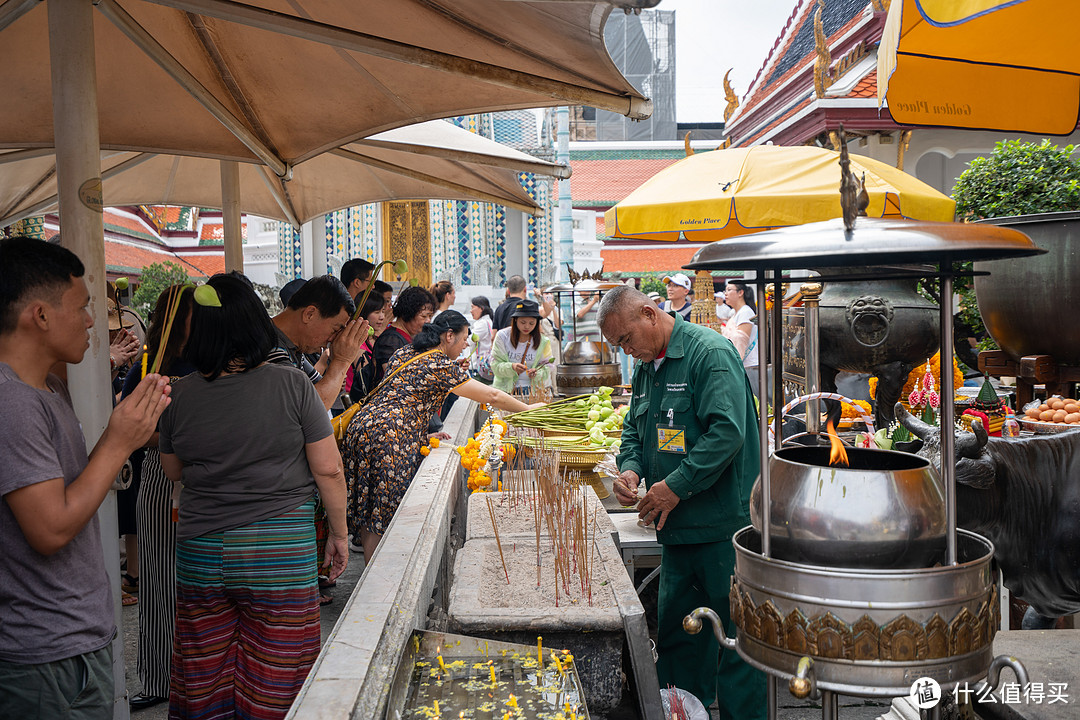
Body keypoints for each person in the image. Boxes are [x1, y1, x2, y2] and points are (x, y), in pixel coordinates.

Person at [158, 274, 349, 719]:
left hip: (200, 553)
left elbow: (173, 469)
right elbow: (329, 468)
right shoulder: (291, 384)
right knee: (279, 666)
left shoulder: (180, 394)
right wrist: (338, 533)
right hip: (277, 551)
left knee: (204, 665)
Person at [0, 237, 171, 719]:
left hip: (69, 643)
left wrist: (128, 435)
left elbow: (72, 487)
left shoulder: (48, 387)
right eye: (82, 307)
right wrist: (118, 442)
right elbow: (50, 529)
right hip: (44, 658)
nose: (93, 321)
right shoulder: (12, 402)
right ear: (40, 315)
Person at [597, 285, 765, 718]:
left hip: (723, 528)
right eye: (618, 346)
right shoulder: (649, 366)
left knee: (738, 643)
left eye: (626, 340)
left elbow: (726, 433)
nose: (627, 351)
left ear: (650, 314)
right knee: (679, 637)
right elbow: (635, 428)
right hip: (677, 529)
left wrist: (675, 486)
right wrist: (631, 468)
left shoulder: (709, 354)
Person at [344, 310, 541, 559]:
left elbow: (403, 395)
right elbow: (491, 395)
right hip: (389, 436)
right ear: (449, 336)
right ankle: (377, 578)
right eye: (463, 339)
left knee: (371, 506)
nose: (464, 346)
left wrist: (416, 434)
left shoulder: (406, 351)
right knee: (383, 513)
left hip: (366, 428)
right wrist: (527, 409)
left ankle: (369, 574)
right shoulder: (438, 364)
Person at [120, 285, 197, 711]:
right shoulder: (149, 366)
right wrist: (168, 442)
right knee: (158, 580)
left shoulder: (212, 360)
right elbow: (132, 429)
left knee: (202, 582)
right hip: (159, 480)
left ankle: (198, 672)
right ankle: (156, 676)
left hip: (204, 480)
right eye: (192, 312)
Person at [270, 274, 367, 411]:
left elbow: (320, 386)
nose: (332, 339)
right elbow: (310, 411)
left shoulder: (293, 347)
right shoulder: (269, 346)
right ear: (309, 314)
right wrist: (342, 361)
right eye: (335, 329)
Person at [371, 285, 436, 384]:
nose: (428, 321)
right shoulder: (391, 340)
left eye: (430, 316)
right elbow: (396, 380)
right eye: (423, 316)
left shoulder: (406, 336)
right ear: (408, 313)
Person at [491, 299, 554, 395]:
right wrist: (512, 367)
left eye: (531, 323)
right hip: (505, 392)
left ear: (537, 323)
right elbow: (495, 365)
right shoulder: (502, 336)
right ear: (515, 320)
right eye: (523, 322)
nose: (527, 327)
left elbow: (548, 366)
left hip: (534, 393)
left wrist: (537, 372)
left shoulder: (543, 341)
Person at [721, 280, 765, 400]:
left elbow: (740, 341)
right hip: (742, 365)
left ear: (740, 292)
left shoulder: (746, 312)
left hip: (748, 365)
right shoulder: (735, 314)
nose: (725, 293)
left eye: (729, 290)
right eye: (725, 290)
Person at [348, 293, 389, 403]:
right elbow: (366, 374)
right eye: (377, 312)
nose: (382, 317)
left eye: (383, 312)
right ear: (364, 313)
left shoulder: (378, 338)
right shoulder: (356, 341)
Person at [468, 296, 495, 383]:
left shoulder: (483, 324)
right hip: (482, 365)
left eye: (472, 307)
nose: (470, 311)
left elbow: (469, 341)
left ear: (481, 308)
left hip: (479, 366)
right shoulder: (486, 321)